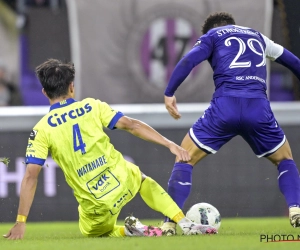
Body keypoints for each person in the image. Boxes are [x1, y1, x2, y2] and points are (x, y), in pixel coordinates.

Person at [4, 59, 217, 240]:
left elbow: (31, 177)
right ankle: (183, 221)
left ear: (44, 92)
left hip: (96, 204)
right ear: (71, 86)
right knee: (141, 178)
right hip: (122, 181)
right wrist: (170, 144)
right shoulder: (92, 106)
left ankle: (131, 231)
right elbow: (132, 125)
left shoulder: (41, 129)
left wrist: (21, 221)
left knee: (91, 232)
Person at [161, 12, 300, 235]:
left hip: (225, 108)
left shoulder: (212, 36)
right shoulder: (259, 37)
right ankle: (295, 209)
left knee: (184, 157)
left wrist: (169, 92)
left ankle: (169, 223)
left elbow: (189, 60)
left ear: (210, 29)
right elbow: (293, 62)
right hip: (258, 109)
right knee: (285, 159)